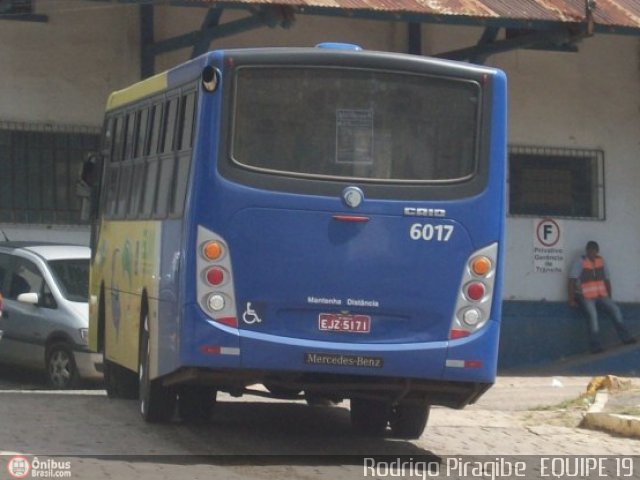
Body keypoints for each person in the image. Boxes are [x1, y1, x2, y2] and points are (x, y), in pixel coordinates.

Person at [568, 240, 637, 353]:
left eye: (594, 251)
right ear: (586, 251)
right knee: (593, 315)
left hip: (600, 295)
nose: (592, 253)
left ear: (597, 251)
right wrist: (571, 299)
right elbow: (571, 280)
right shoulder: (580, 261)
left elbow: (607, 280)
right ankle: (595, 346)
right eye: (590, 251)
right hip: (584, 295)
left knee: (615, 309)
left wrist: (609, 297)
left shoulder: (601, 261)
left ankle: (626, 338)